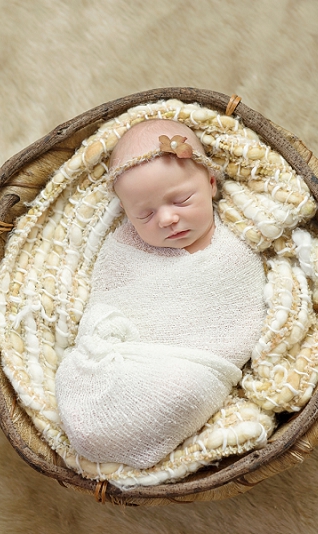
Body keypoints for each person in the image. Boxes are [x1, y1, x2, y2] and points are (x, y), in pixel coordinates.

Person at [54, 120, 267, 470]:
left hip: (189, 369)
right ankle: (98, 422)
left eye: (181, 200)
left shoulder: (235, 253)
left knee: (181, 388)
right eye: (145, 214)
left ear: (212, 184)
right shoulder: (124, 247)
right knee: (78, 371)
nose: (167, 218)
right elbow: (105, 305)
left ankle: (132, 430)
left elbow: (241, 318)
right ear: (127, 215)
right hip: (121, 358)